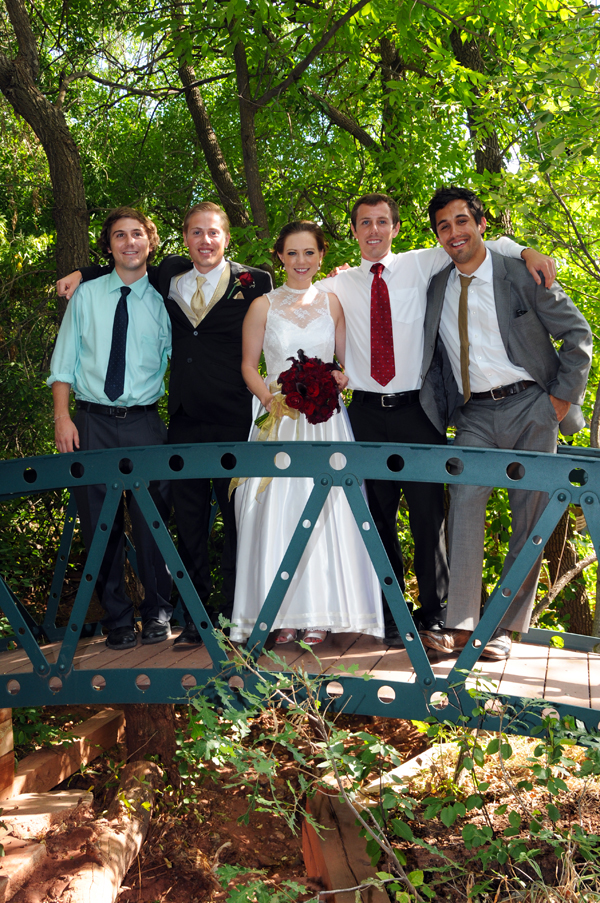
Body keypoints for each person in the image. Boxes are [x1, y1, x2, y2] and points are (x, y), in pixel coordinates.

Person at [317, 193, 556, 647]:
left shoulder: (422, 263)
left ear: (397, 229)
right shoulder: (340, 284)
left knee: (430, 518)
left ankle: (435, 617)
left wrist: (527, 251)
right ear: (353, 232)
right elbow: (300, 301)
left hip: (418, 410)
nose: (373, 231)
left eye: (382, 222)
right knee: (376, 518)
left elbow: (481, 245)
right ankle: (390, 616)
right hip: (365, 413)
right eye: (364, 223)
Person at [57, 202, 273, 647]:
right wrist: (83, 272)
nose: (205, 240)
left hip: (193, 423)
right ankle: (154, 619)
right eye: (195, 232)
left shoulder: (220, 287)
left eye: (213, 232)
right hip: (135, 422)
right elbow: (66, 360)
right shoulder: (128, 288)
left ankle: (201, 614)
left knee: (197, 523)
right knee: (137, 526)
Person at [419, 186, 592, 660]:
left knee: (530, 517)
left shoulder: (519, 273)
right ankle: (460, 625)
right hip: (474, 414)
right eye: (444, 226)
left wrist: (560, 401)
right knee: (466, 500)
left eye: (461, 221)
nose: (454, 232)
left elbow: (578, 335)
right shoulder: (437, 286)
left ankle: (501, 630)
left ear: (481, 226)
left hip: (533, 406)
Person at [230, 221, 384, 645]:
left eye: (309, 253)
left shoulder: (333, 303)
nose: (301, 261)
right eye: (292, 253)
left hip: (325, 419)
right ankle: (279, 613)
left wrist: (339, 378)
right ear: (279, 256)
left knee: (326, 506)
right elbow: (248, 365)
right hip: (278, 415)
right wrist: (269, 399)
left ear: (322, 257)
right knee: (277, 509)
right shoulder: (262, 305)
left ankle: (319, 611)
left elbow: (345, 363)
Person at [48, 207, 173, 650]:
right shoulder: (86, 295)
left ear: (150, 242)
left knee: (151, 523)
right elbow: (63, 362)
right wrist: (63, 418)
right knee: (99, 527)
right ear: (110, 246)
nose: (129, 243)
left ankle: (157, 611)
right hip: (90, 423)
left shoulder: (165, 299)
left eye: (137, 234)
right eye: (120, 236)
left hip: (145, 423)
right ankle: (118, 618)